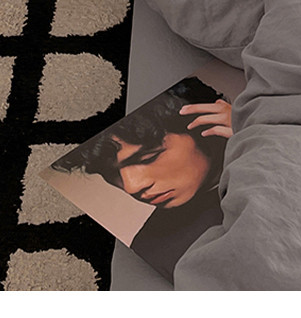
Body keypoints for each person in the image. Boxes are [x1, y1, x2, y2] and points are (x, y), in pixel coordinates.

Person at [51, 76, 233, 280]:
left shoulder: (255, 136)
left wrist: (255, 133)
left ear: (205, 122)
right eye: (109, 173)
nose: (131, 186)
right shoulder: (153, 247)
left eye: (148, 157)